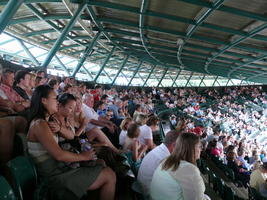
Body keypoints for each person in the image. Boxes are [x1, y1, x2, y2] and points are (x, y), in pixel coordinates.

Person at [27, 85, 116, 200]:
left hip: (60, 169)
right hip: (54, 177)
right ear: (44, 101)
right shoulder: (39, 124)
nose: (57, 102)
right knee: (109, 175)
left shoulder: (46, 121)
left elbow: (71, 136)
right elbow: (59, 155)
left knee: (101, 165)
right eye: (55, 98)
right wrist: (83, 157)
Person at [150, 132, 210, 200]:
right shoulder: (189, 169)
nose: (201, 150)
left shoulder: (167, 160)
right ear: (191, 149)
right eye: (200, 146)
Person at [137, 130, 180, 195]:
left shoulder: (159, 149)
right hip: (148, 192)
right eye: (181, 145)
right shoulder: (166, 158)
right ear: (174, 145)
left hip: (143, 187)